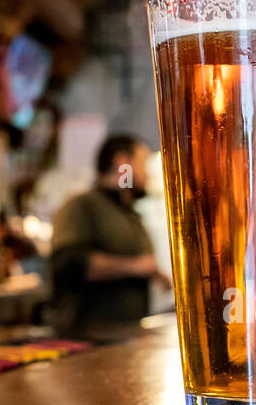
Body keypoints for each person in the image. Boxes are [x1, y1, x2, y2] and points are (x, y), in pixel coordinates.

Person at [49, 134, 171, 333]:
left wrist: (155, 273)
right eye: (143, 164)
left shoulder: (129, 213)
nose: (147, 174)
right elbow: (70, 264)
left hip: (126, 338)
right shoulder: (82, 206)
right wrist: (137, 267)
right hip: (87, 342)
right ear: (122, 163)